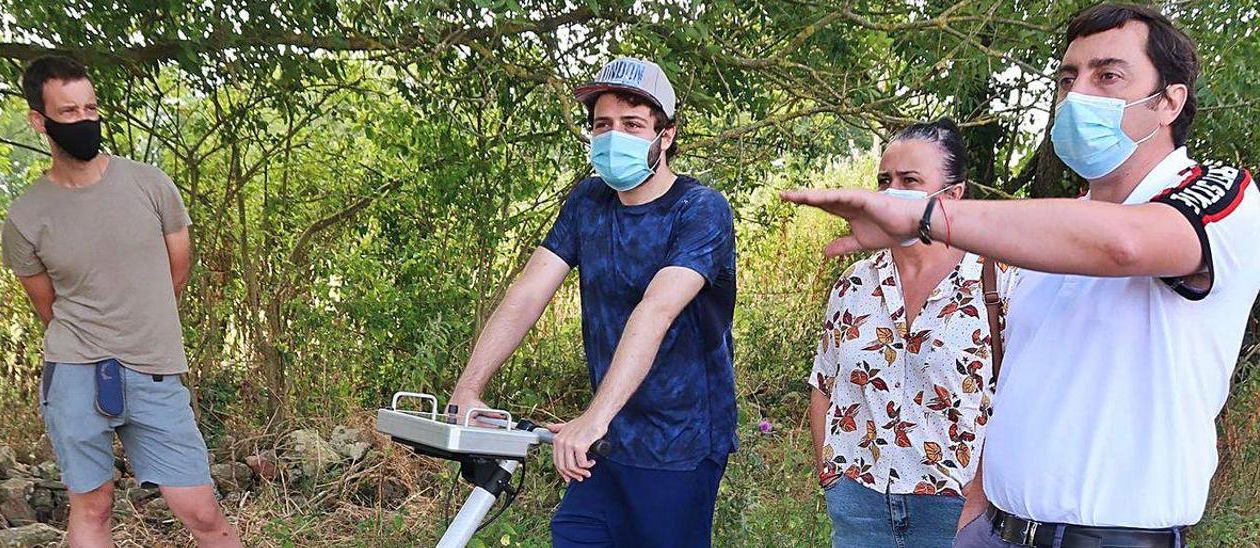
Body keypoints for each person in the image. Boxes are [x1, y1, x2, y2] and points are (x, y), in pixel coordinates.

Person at [783, 4, 1259, 547]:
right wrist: (977, 515)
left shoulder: (1220, 193)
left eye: (1108, 75)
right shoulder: (1047, 238)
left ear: (1169, 100)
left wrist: (926, 217)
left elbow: (1126, 245)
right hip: (999, 530)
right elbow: (1014, 385)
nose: (1079, 95)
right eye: (1068, 77)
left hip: (1110, 537)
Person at [445, 57, 738, 548]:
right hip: (606, 441)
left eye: (632, 124)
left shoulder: (700, 209)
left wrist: (593, 417)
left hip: (680, 444)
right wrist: (468, 389)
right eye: (603, 125)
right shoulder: (588, 202)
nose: (613, 136)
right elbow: (529, 290)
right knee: (575, 535)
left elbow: (657, 310)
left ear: (665, 135)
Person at [1, 56, 242, 548]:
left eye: (90, 107)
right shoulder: (26, 216)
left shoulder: (149, 184)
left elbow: (177, 270)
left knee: (200, 510)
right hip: (73, 373)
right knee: (93, 508)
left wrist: (140, 321)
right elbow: (47, 306)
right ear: (38, 120)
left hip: (154, 368)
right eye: (68, 112)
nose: (85, 119)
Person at [807, 119, 1001, 548]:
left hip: (958, 507)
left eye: (909, 180)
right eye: (884, 180)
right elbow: (823, 382)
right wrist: (832, 474)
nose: (892, 191)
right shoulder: (855, 281)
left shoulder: (997, 283)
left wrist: (982, 494)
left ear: (953, 195)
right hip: (859, 502)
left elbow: (1021, 398)